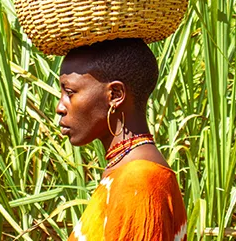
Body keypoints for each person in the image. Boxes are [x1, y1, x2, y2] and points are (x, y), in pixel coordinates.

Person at [57, 38, 187, 241]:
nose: (60, 107)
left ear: (115, 95)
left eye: (70, 93)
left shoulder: (140, 180)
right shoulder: (126, 172)